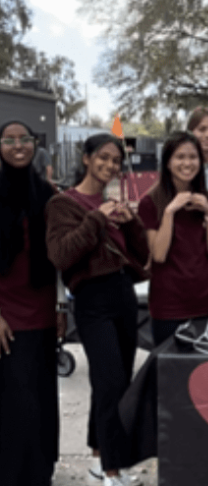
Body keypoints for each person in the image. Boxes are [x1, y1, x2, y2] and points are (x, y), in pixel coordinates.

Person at [46, 133, 149, 486]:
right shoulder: (63, 204)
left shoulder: (113, 202)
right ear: (87, 157)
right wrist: (96, 220)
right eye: (103, 158)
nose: (109, 166)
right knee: (110, 383)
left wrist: (130, 220)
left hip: (123, 293)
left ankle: (97, 459)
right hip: (91, 298)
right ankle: (111, 470)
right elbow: (60, 256)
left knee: (116, 381)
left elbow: (141, 253)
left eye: (115, 161)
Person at [0, 120, 63, 486]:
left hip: (41, 311)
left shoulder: (47, 192)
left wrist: (60, 308)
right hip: (7, 314)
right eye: (9, 140)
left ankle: (40, 474)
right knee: (13, 401)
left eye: (24, 139)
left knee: (41, 398)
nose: (18, 146)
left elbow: (57, 258)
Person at [137, 132, 208, 346]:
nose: (187, 163)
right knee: (169, 371)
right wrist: (169, 212)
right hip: (168, 303)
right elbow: (158, 255)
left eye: (193, 157)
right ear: (167, 162)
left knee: (204, 373)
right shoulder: (150, 202)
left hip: (204, 299)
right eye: (180, 157)